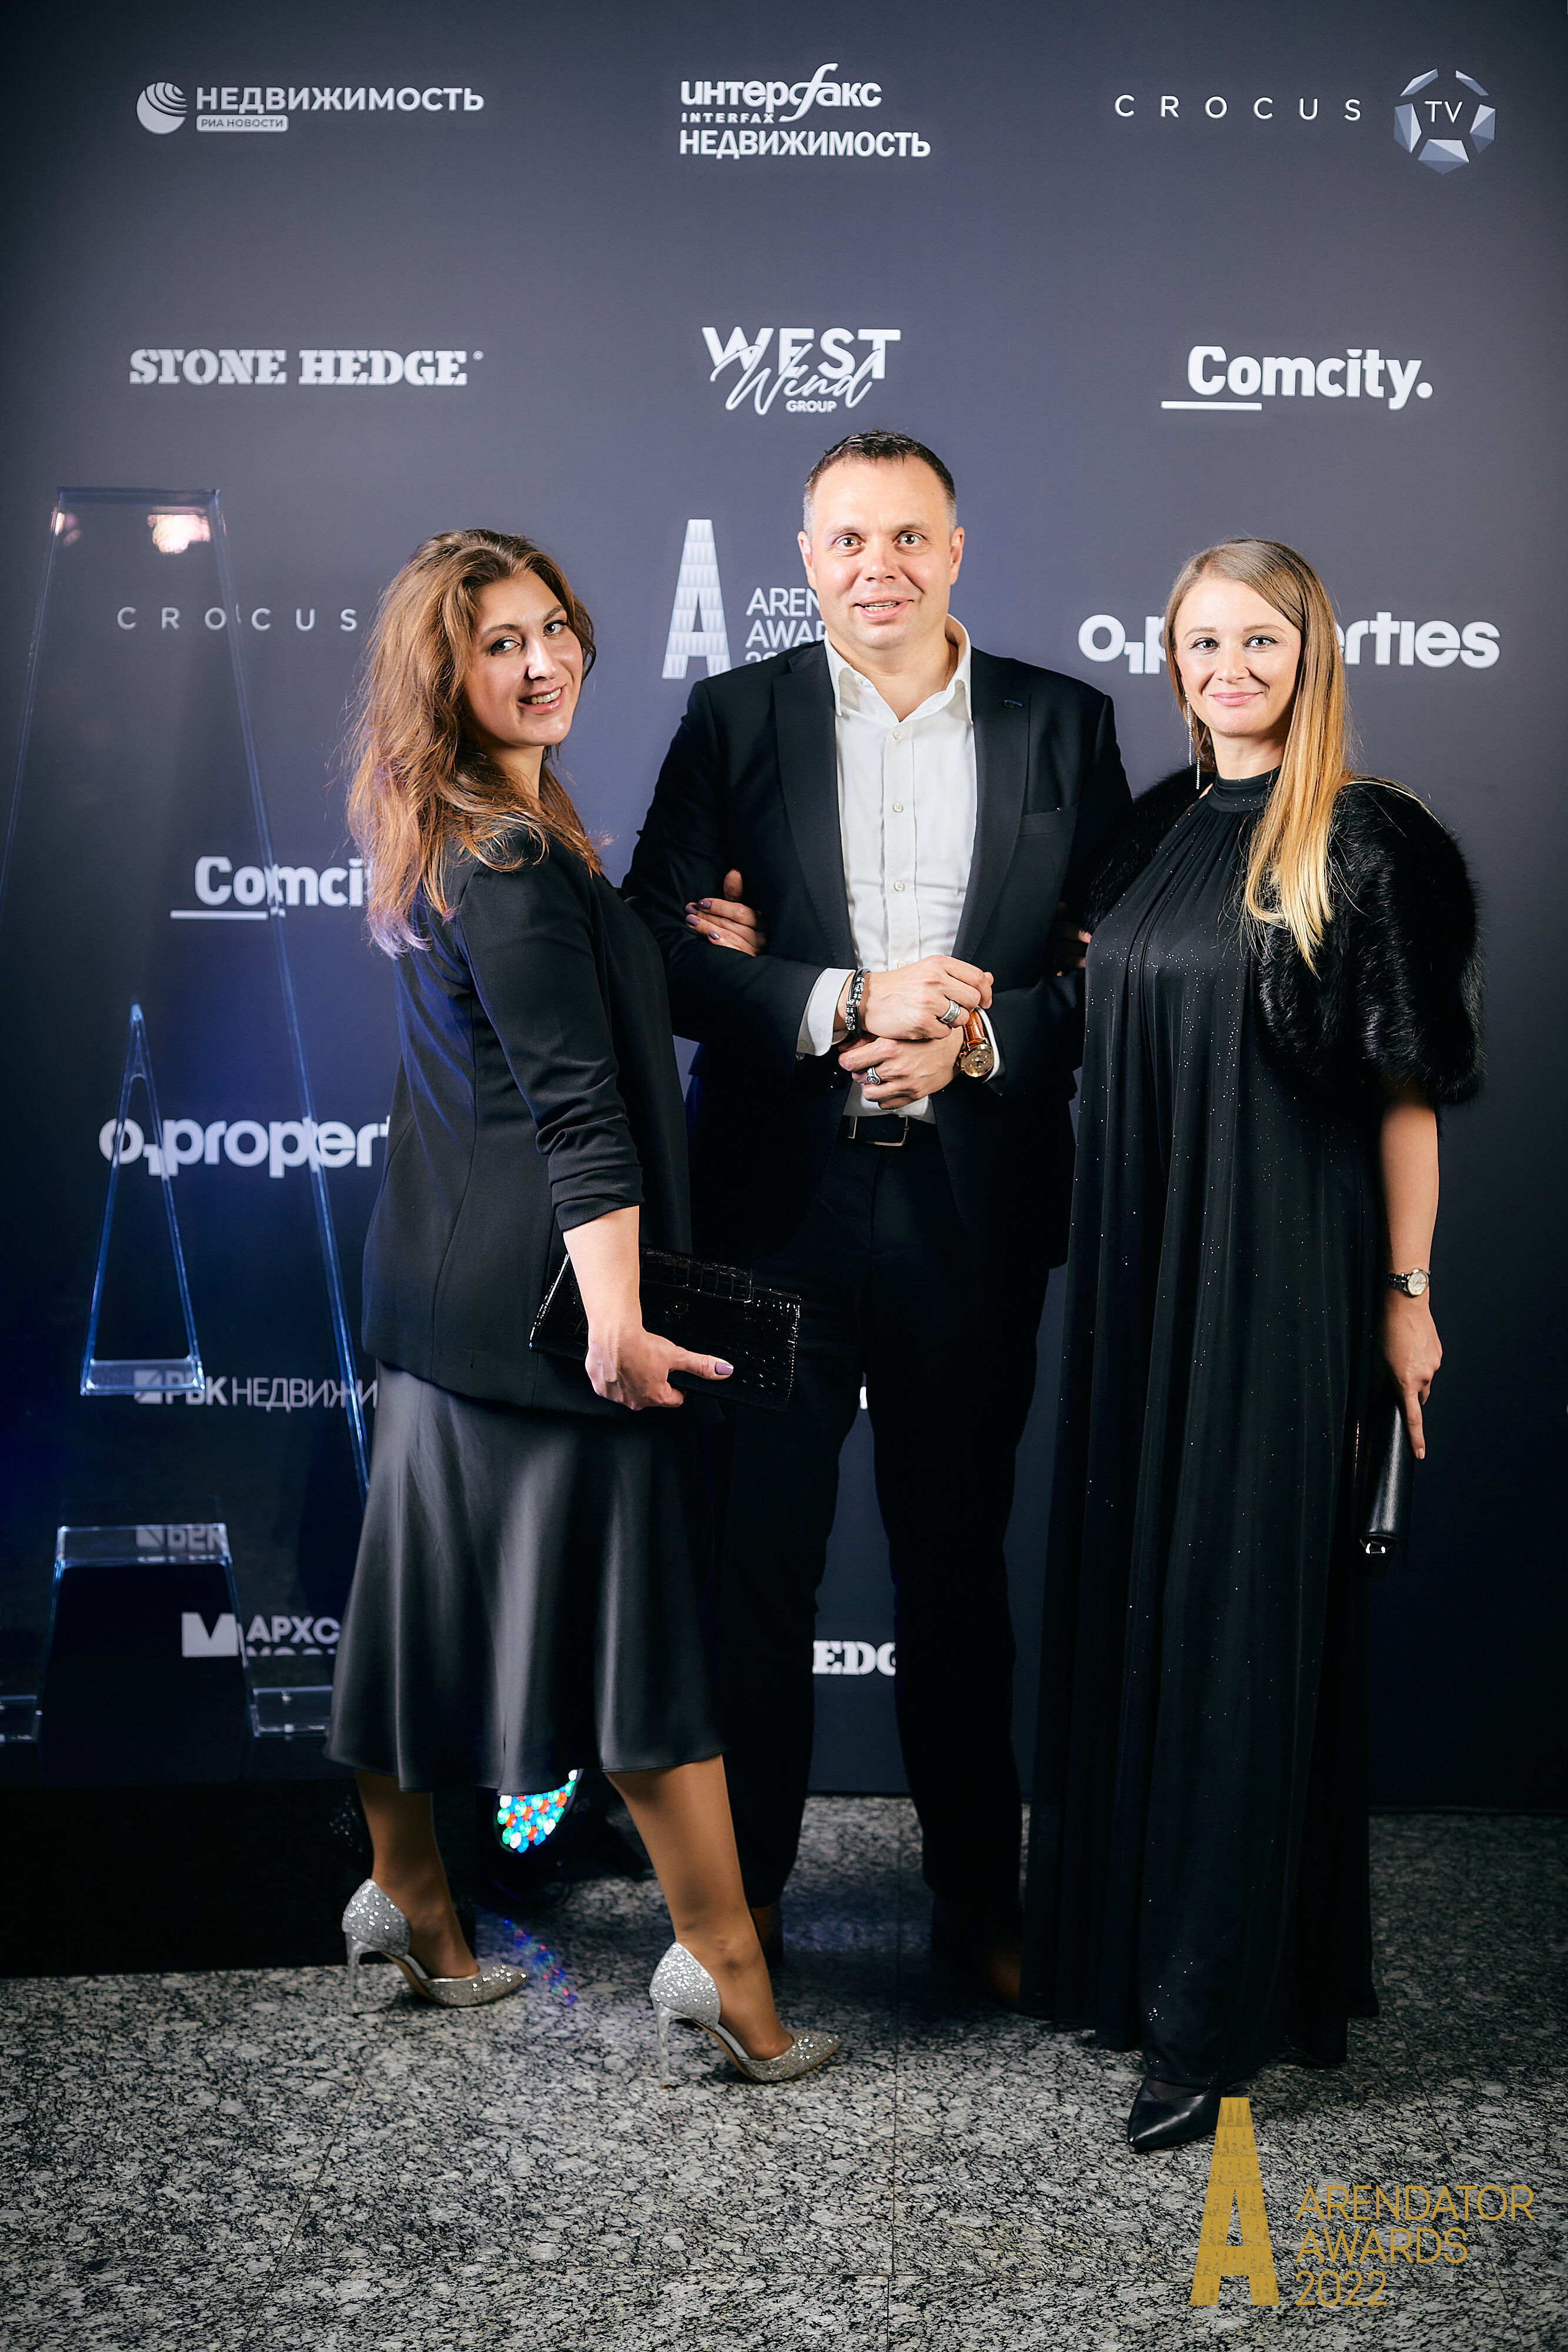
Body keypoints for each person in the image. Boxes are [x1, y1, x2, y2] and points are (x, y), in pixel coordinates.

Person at [326, 529, 837, 2084]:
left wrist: (657, 950)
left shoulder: (467, 828)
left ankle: (407, 1901)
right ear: (444, 676)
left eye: (552, 628)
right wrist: (618, 1324)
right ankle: (728, 1975)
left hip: (437, 1296)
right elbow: (579, 1112)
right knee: (640, 1652)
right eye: (499, 645)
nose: (543, 662)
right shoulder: (510, 857)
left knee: (415, 1616)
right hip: (545, 1311)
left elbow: (555, 1021)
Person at [624, 431, 1130, 1999]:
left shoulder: (1063, 721)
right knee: (753, 1572)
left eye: (908, 536)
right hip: (769, 1212)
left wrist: (976, 1036)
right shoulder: (735, 715)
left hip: (971, 1208)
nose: (878, 567)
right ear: (806, 558)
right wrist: (843, 998)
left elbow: (1116, 967)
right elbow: (655, 947)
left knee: (957, 1569)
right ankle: (744, 1911)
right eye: (847, 540)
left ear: (956, 550)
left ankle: (978, 1901)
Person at [1020, 539, 1482, 2149]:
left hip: (1284, 1272)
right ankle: (1143, 1959)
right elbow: (1079, 1022)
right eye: (1203, 643)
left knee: (1235, 1625)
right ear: (1173, 660)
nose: (1230, 669)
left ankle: (1206, 2021)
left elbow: (1407, 1093)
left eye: (1259, 641)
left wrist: (1405, 1295)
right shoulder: (1153, 829)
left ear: (1310, 653)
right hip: (1143, 1271)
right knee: (1149, 1602)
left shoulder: (1365, 838)